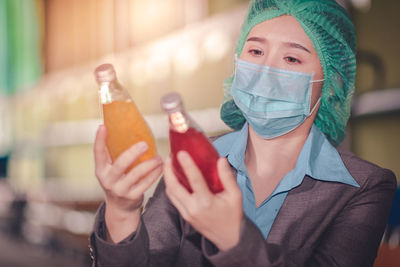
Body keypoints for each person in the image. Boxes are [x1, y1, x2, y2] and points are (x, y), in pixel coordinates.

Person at [89, 0, 397, 266]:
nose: (264, 70)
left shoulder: (363, 187)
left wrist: (233, 239)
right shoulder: (193, 158)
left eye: (291, 58)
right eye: (255, 51)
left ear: (330, 85)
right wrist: (122, 211)